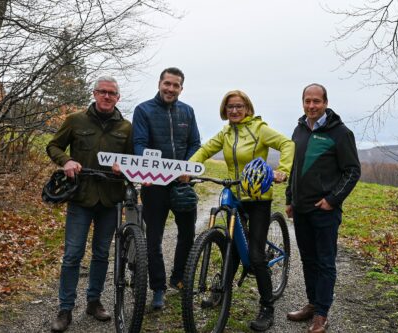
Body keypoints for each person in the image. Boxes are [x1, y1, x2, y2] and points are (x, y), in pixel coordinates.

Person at [188, 90, 295, 331]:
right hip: (235, 195)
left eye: (238, 106)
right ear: (224, 110)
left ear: (247, 108)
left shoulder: (259, 129)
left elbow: (286, 143)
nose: (234, 111)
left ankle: (267, 306)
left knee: (256, 256)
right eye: (230, 107)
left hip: (258, 197)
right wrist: (190, 168)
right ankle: (221, 290)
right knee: (232, 245)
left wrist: (283, 170)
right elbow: (205, 150)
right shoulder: (225, 133)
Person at [46, 76, 133, 332]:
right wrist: (66, 161)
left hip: (109, 199)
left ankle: (94, 302)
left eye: (112, 93)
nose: (107, 96)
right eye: (102, 92)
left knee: (102, 254)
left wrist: (124, 166)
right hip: (81, 198)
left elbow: (133, 160)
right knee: (73, 254)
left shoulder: (127, 128)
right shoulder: (75, 120)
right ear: (94, 94)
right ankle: (65, 309)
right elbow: (53, 146)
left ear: (118, 98)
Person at [285, 83, 361, 333]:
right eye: (307, 101)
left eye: (316, 101)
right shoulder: (299, 129)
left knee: (325, 262)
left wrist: (333, 199)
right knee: (308, 260)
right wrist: (289, 198)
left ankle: (321, 314)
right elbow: (295, 168)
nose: (311, 106)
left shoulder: (340, 133)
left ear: (326, 103)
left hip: (325, 210)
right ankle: (311, 304)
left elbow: (352, 171)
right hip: (302, 208)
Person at [132, 67, 201, 309]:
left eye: (176, 85)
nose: (170, 89)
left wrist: (188, 168)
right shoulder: (143, 110)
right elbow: (139, 143)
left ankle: (179, 278)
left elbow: (195, 144)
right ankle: (158, 287)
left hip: (182, 184)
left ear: (181, 88)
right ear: (160, 83)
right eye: (167, 84)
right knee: (153, 240)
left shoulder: (188, 111)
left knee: (187, 234)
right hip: (155, 185)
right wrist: (146, 170)